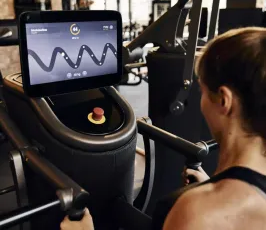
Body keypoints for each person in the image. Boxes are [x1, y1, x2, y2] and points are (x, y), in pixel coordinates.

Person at [61, 27, 266, 230]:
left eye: (202, 91)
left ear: (224, 100)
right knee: (117, 208)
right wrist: (214, 184)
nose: (201, 101)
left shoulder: (197, 214)